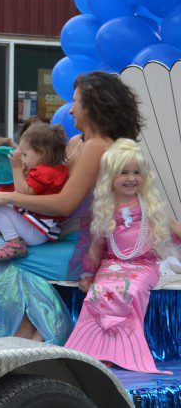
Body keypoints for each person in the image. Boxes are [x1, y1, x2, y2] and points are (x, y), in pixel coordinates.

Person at [0, 71, 143, 344]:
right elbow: (44, 185)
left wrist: (7, 199)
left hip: (80, 248)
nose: (71, 108)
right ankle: (27, 329)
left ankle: (35, 331)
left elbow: (64, 204)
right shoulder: (77, 143)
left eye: (76, 101)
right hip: (57, 238)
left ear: (93, 106)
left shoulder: (97, 146)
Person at [65, 139, 181, 374]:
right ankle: (97, 351)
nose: (131, 178)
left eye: (137, 172)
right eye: (124, 172)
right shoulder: (105, 206)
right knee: (97, 293)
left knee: (131, 290)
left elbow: (174, 228)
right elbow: (96, 243)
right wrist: (89, 272)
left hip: (143, 264)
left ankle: (123, 352)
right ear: (110, 176)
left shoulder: (149, 203)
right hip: (113, 263)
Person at [0, 122, 69, 262]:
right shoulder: (54, 169)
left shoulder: (43, 172)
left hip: (38, 231)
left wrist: (16, 168)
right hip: (40, 229)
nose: (22, 159)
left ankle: (14, 243)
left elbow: (23, 194)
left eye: (25, 155)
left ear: (42, 154)